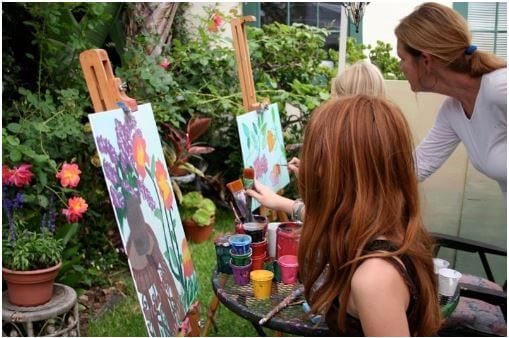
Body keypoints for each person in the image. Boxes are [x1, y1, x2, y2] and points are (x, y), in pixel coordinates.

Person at [247, 95, 441, 335]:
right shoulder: (388, 228)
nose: (307, 168)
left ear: (337, 174)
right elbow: (329, 222)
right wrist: (279, 202)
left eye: (315, 159)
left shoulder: (374, 279)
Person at [395, 2, 507, 197]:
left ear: (426, 60)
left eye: (403, 59)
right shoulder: (453, 111)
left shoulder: (500, 88)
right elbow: (417, 166)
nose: (400, 67)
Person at [288, 61, 387, 174]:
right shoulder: (386, 130)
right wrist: (312, 174)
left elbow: (339, 188)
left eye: (340, 95)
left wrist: (311, 178)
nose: (335, 101)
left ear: (354, 99)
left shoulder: (345, 137)